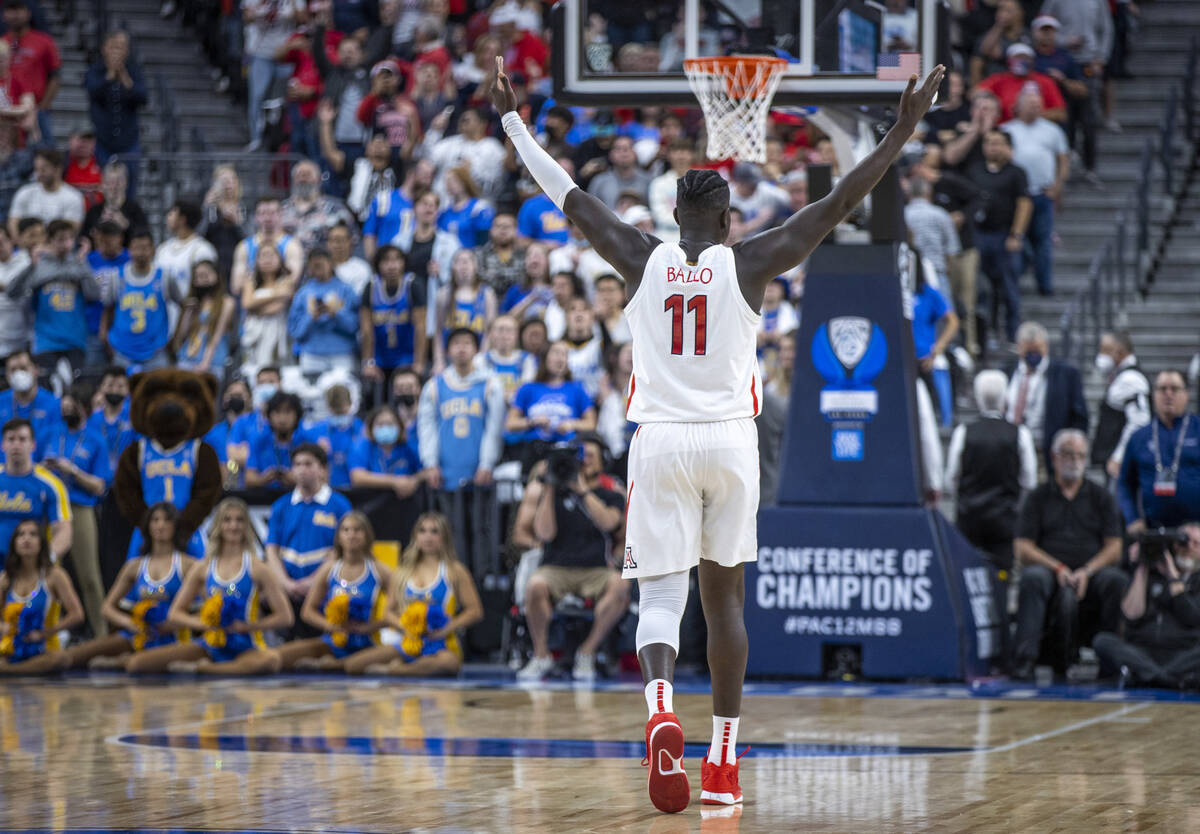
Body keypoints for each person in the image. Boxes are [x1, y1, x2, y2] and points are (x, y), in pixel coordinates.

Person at [494, 57, 944, 812]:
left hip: (660, 442)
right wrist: (902, 129)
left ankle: (661, 710)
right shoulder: (753, 260)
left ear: (673, 218)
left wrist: (512, 119)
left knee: (659, 599)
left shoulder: (638, 258)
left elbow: (566, 195)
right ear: (728, 220)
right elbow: (837, 203)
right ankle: (724, 764)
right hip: (731, 443)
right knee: (725, 604)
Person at [126, 498, 292, 674]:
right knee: (137, 664)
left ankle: (208, 669)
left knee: (271, 660)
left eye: (239, 520)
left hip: (246, 646)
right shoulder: (203, 567)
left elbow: (285, 617)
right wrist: (204, 623)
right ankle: (216, 668)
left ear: (247, 527)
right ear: (219, 525)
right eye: (227, 520)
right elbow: (175, 613)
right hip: (210, 645)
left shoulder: (258, 567)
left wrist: (248, 627)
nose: (233, 526)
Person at [1012, 429, 1127, 679]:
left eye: (1079, 455)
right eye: (1067, 454)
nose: (1073, 460)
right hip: (1051, 573)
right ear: (1054, 457)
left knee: (1116, 580)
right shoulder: (1037, 497)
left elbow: (1115, 547)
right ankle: (1025, 661)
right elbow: (1022, 548)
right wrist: (1058, 568)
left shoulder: (1101, 497)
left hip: (1091, 574)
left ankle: (1110, 663)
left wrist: (1087, 571)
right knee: (1033, 578)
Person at [512, 435, 628, 682]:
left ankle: (587, 651)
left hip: (595, 568)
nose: (584, 462)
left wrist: (582, 490)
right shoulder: (550, 492)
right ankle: (541, 655)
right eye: (580, 457)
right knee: (535, 585)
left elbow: (609, 523)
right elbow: (544, 533)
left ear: (602, 462)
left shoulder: (610, 495)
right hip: (555, 567)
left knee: (621, 585)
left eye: (590, 457)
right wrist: (552, 485)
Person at [343, 511, 483, 676]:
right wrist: (405, 627)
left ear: (444, 536)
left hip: (441, 643)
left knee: (449, 663)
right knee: (353, 665)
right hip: (409, 641)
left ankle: (398, 669)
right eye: (422, 531)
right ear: (415, 536)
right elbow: (388, 612)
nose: (428, 537)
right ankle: (406, 667)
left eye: (434, 532)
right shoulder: (402, 572)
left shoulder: (454, 570)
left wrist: (447, 628)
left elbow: (475, 611)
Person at [63, 502, 196, 669]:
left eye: (167, 520)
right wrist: (130, 623)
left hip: (174, 637)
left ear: (175, 526)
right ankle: (122, 658)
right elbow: (106, 608)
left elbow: (204, 606)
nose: (160, 525)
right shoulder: (135, 566)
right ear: (147, 526)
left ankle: (122, 661)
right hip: (136, 634)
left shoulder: (188, 565)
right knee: (73, 657)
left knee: (137, 665)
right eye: (155, 520)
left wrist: (178, 622)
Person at [277, 511, 395, 670]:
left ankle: (331, 665)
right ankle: (330, 663)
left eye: (357, 530)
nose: (351, 535)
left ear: (367, 535)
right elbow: (307, 611)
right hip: (332, 642)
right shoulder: (329, 569)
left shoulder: (380, 571)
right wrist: (331, 626)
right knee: (279, 656)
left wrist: (370, 627)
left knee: (356, 665)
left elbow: (397, 611)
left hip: (368, 645)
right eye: (346, 530)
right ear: (338, 536)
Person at [1093, 523, 1200, 688]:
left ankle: (1149, 675)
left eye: (1196, 544)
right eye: (1183, 542)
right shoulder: (1152, 574)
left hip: (1183, 654)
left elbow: (1192, 617)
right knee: (1102, 641)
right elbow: (1131, 615)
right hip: (1143, 652)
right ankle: (1167, 679)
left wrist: (1173, 577)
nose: (1188, 548)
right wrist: (1143, 566)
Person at [42, 384, 109, 636]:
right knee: (44, 571)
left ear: (84, 409)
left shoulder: (96, 440)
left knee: (89, 576)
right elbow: (34, 466)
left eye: (73, 407)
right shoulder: (49, 433)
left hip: (79, 507)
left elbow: (100, 486)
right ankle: (45, 631)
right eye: (65, 407)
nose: (68, 411)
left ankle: (101, 634)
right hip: (49, 509)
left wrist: (73, 472)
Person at [265, 443, 352, 636]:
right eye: (297, 464)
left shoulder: (339, 505)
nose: (301, 470)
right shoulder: (281, 505)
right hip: (286, 592)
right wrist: (285, 583)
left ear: (322, 469)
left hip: (324, 593)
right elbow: (271, 549)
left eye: (308, 464)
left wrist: (314, 582)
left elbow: (343, 551)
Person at [8, 218, 99, 382]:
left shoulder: (78, 264)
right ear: (49, 241)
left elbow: (94, 295)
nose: (67, 244)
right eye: (61, 239)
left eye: (70, 238)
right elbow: (12, 292)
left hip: (75, 340)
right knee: (48, 389)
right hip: (46, 341)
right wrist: (31, 267)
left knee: (75, 392)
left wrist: (83, 264)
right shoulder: (39, 265)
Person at [417, 327, 505, 491]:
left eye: (467, 343)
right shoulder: (434, 386)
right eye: (456, 343)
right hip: (444, 471)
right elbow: (427, 428)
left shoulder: (491, 384)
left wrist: (487, 463)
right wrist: (430, 463)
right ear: (447, 350)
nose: (462, 348)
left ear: (477, 350)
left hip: (480, 469)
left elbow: (494, 428)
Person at [1002, 88, 1069, 297]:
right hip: (1015, 196)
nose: (1035, 107)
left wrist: (1058, 186)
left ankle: (1045, 285)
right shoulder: (1007, 129)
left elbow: (1063, 159)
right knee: (1018, 238)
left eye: (1038, 104)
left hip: (1042, 193)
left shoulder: (1053, 130)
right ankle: (1017, 281)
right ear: (1018, 106)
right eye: (1030, 103)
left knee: (1044, 241)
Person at [967, 129, 1030, 346]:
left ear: (1007, 147)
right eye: (989, 143)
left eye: (997, 143)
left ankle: (1013, 336)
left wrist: (1016, 234)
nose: (992, 147)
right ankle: (987, 336)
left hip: (1004, 236)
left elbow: (1024, 204)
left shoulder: (1016, 173)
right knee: (982, 289)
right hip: (980, 236)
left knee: (1009, 288)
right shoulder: (975, 171)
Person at [1119, 369, 1200, 532]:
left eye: (1175, 389)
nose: (1168, 394)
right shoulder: (1139, 437)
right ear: (1154, 395)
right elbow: (1124, 483)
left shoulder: (1197, 430)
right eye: (1162, 389)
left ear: (1186, 394)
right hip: (1153, 530)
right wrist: (1132, 518)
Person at [0, 519, 83, 673]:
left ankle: (11, 671)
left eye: (33, 534)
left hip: (44, 649)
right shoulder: (6, 578)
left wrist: (46, 632)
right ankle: (16, 669)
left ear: (42, 543)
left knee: (62, 659)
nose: (26, 539)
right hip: (10, 647)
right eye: (21, 535)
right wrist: (4, 627)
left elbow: (77, 614)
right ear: (14, 543)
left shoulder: (55, 575)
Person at [1006, 321, 1088, 470]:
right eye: (1028, 351)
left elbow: (1080, 417)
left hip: (1046, 453)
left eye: (1037, 350)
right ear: (1019, 348)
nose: (1033, 355)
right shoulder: (1007, 371)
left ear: (1046, 347)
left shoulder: (1066, 375)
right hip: (1010, 451)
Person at [506, 341, 596, 458]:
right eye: (556, 353)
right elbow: (510, 424)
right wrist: (533, 422)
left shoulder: (577, 389)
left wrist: (571, 424)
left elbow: (591, 423)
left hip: (566, 448)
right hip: (534, 449)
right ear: (544, 357)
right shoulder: (528, 388)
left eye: (564, 354)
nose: (561, 359)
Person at [360, 245, 428, 402]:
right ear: (378, 264)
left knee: (407, 403)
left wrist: (419, 362)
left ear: (404, 263)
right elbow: (366, 330)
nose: (392, 265)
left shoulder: (413, 285)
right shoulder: (370, 287)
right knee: (378, 403)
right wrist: (368, 362)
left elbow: (420, 327)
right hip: (380, 359)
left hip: (407, 358)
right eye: (386, 261)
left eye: (397, 260)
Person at [101, 228, 174, 371]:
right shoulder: (116, 277)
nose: (141, 253)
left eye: (145, 248)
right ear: (129, 250)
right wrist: (104, 336)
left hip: (156, 352)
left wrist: (174, 339)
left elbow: (185, 304)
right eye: (136, 248)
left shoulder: (164, 277)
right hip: (122, 351)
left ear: (153, 250)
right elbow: (107, 309)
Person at [0, 418, 70, 563]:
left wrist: (46, 559)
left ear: (33, 445)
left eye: (22, 439)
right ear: (3, 445)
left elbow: (63, 530)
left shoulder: (51, 484)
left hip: (31, 565)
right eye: (11, 439)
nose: (16, 445)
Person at [84, 30, 146, 187]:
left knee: (129, 184)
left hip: (129, 140)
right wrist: (110, 76)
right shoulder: (95, 70)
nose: (117, 52)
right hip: (102, 141)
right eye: (114, 47)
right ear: (104, 48)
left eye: (121, 47)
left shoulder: (134, 71)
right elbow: (93, 91)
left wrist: (125, 78)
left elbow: (143, 98)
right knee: (102, 185)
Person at [288, 247, 360, 374]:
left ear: (331, 263)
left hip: (341, 353)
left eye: (321, 264)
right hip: (311, 354)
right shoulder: (302, 293)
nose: (317, 268)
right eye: (314, 265)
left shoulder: (346, 290)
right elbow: (294, 331)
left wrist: (335, 314)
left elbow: (355, 326)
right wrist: (311, 317)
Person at [1093, 331, 1150, 479]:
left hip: (1123, 463)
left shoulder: (1131, 379)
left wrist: (1119, 457)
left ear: (1119, 351)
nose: (1101, 355)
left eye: (1105, 350)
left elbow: (1139, 422)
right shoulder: (1120, 376)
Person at [154, 199, 217, 326]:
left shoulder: (202, 250)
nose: (167, 218)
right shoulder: (163, 249)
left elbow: (209, 291)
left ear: (182, 219)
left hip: (189, 318)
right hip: (161, 317)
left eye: (171, 213)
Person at [230, 196, 305, 300]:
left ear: (281, 215)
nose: (267, 218)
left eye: (272, 213)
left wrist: (255, 291)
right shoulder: (244, 246)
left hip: (280, 309)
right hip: (251, 311)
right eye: (263, 213)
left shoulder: (292, 245)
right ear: (256, 216)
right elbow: (236, 286)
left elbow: (292, 282)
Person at [170, 259, 234, 377]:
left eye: (206, 275)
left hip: (212, 362)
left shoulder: (226, 302)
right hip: (186, 358)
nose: (202, 279)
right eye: (198, 277)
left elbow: (217, 334)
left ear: (217, 276)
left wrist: (205, 362)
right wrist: (188, 312)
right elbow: (182, 334)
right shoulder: (193, 301)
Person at [434, 248, 495, 369]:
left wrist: (482, 359)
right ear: (453, 267)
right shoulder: (444, 294)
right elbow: (438, 332)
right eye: (459, 262)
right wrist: (438, 361)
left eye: (468, 261)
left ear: (476, 266)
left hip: (477, 357)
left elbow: (490, 332)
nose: (464, 265)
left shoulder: (487, 294)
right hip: (450, 359)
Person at [239, 244, 296, 375]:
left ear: (280, 259)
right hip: (253, 332)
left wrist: (255, 308)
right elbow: (247, 303)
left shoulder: (286, 281)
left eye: (271, 255)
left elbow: (275, 308)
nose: (267, 259)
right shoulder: (250, 281)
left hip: (276, 332)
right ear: (256, 260)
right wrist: (277, 294)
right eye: (263, 256)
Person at [279, 159, 356, 253]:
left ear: (319, 180)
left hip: (324, 263)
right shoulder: (281, 209)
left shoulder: (336, 208)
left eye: (308, 175)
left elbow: (353, 238)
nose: (303, 179)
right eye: (299, 175)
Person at [8, 149, 84, 236]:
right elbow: (13, 224)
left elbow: (72, 230)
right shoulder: (25, 192)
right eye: (37, 169)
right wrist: (22, 244)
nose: (39, 174)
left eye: (43, 169)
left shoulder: (74, 197)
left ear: (58, 169)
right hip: (26, 246)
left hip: (58, 247)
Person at [349, 405, 422, 494]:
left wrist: (413, 481)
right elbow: (357, 477)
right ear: (371, 428)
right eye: (380, 424)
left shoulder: (408, 446)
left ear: (400, 426)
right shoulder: (363, 446)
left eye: (390, 424)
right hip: (372, 502)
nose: (385, 428)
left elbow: (427, 471)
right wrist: (395, 482)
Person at [0, 347, 60, 455]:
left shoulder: (53, 403)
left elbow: (54, 442)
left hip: (40, 468)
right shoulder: (1, 401)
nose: (18, 374)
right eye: (13, 370)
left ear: (36, 370)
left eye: (23, 368)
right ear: (7, 375)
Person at [245, 391, 309, 489]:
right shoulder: (259, 441)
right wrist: (263, 479)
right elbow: (249, 478)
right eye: (277, 412)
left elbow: (321, 479)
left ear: (297, 416)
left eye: (288, 412)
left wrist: (296, 480)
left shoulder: (307, 442)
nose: (282, 419)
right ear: (269, 416)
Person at [86, 365, 136, 474]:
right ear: (101, 387)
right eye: (110, 385)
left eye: (120, 386)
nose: (115, 390)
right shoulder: (91, 419)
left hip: (127, 476)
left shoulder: (134, 417)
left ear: (128, 390)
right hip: (98, 477)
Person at [586, 135, 652, 210]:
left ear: (636, 153)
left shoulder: (648, 180)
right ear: (611, 155)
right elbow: (590, 211)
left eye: (628, 148)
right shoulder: (599, 181)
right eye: (618, 149)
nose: (624, 152)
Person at [438, 165, 495, 249]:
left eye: (453, 181)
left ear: (464, 182)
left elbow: (484, 240)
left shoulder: (480, 207)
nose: (449, 185)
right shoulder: (444, 211)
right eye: (447, 182)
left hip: (472, 258)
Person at [474, 212, 525, 299]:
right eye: (498, 226)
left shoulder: (525, 255)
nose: (502, 230)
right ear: (491, 230)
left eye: (507, 227)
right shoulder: (479, 254)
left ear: (516, 230)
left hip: (518, 303)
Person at [327, 219, 371, 296]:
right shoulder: (322, 269)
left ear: (350, 242)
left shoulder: (362, 268)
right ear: (328, 244)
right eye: (334, 240)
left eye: (341, 240)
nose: (338, 245)